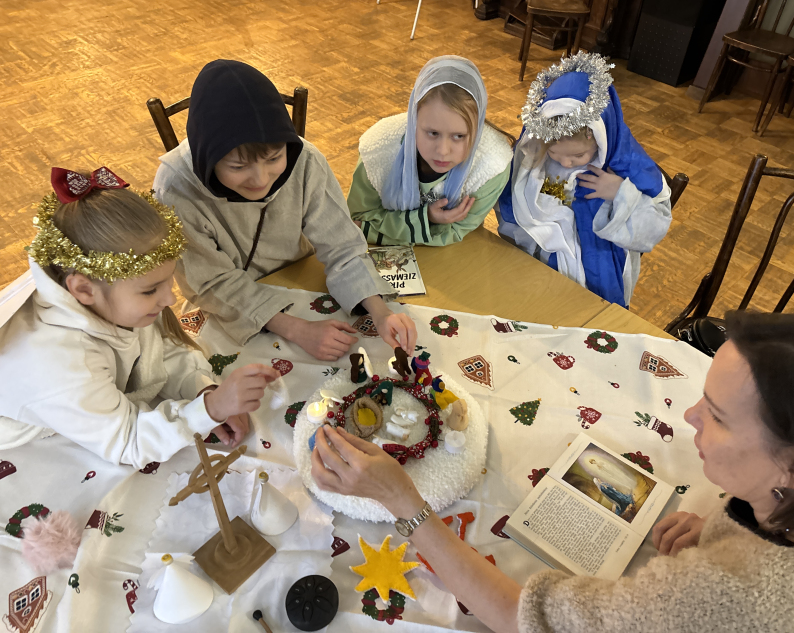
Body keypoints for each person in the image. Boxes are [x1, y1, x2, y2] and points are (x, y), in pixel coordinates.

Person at [310, 311, 794, 631]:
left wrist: (405, 502)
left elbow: (526, 618)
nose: (689, 416)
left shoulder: (723, 595)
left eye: (719, 417)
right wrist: (727, 529)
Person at [0, 168, 279, 468]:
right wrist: (209, 409)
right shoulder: (59, 364)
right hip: (28, 445)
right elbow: (127, 443)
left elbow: (158, 350)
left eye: (168, 281)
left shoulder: (113, 297)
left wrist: (203, 390)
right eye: (150, 290)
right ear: (83, 289)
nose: (171, 299)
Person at [153, 59, 416, 360]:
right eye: (238, 166)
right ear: (207, 159)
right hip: (226, 306)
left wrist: (381, 312)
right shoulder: (174, 188)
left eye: (274, 158)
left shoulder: (304, 159)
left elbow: (342, 245)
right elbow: (211, 283)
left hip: (299, 278)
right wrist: (298, 330)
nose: (260, 180)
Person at [496, 53, 672, 307]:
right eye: (555, 153)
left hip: (597, 273)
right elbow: (512, 202)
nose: (566, 163)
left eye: (578, 156)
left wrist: (620, 193)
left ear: (599, 140)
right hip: (541, 267)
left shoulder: (625, 167)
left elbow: (654, 227)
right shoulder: (535, 157)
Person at [347, 55, 513, 246]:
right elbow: (355, 221)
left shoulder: (492, 166)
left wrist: (381, 230)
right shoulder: (377, 150)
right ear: (413, 120)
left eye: (459, 136)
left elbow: (458, 231)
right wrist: (426, 219)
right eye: (433, 133)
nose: (443, 151)